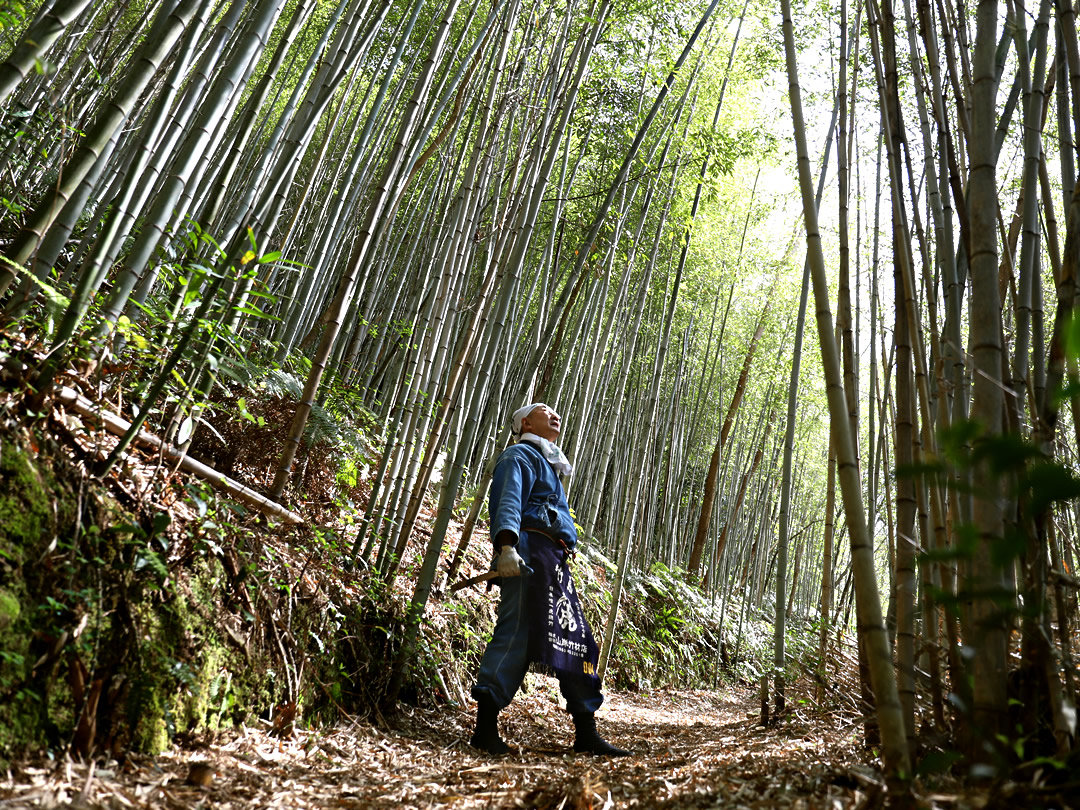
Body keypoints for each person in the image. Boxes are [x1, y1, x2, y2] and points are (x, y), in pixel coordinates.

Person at [470, 402, 629, 756]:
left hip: (553, 561)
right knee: (517, 633)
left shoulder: (548, 464)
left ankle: (586, 730)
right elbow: (508, 497)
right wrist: (506, 545)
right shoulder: (520, 455)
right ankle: (484, 727)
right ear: (525, 421)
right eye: (544, 409)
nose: (555, 413)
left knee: (575, 639)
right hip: (528, 553)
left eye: (557, 410)